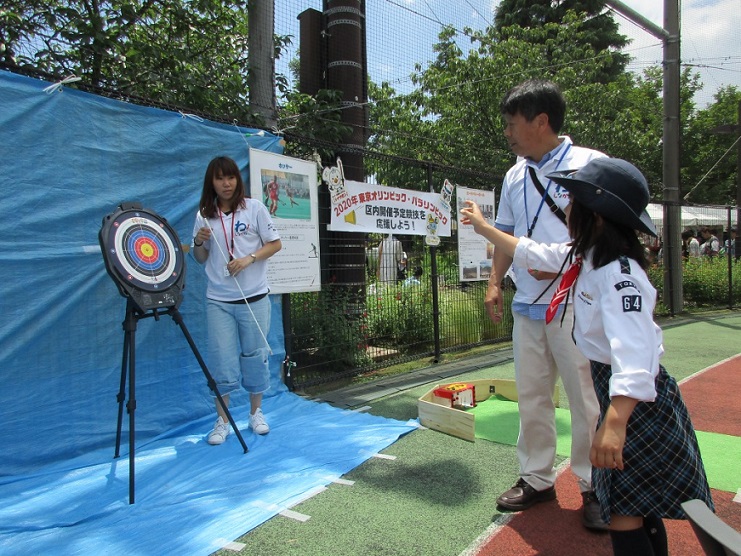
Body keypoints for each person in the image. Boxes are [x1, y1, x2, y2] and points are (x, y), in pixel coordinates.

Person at [461, 157, 713, 556]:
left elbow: (637, 353)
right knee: (635, 506)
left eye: (573, 202)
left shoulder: (619, 275)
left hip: (637, 405)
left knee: (626, 510)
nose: (566, 208)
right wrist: (486, 229)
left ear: (596, 217)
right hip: (622, 398)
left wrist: (614, 421)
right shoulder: (586, 255)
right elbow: (535, 253)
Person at [487, 79, 606, 530]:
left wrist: (560, 267)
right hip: (528, 306)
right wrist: (495, 282)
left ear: (541, 122)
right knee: (533, 396)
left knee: (585, 399)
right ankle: (536, 478)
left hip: (577, 302)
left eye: (512, 124)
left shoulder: (589, 165)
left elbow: (607, 234)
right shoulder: (514, 173)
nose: (507, 133)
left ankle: (595, 485)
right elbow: (505, 233)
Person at [192, 156, 282, 445]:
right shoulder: (204, 216)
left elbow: (275, 243)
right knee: (221, 361)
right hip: (218, 300)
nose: (226, 183)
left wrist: (248, 259)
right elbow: (200, 258)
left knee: (255, 356)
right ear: (212, 183)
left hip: (254, 298)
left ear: (237, 180)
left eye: (230, 177)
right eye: (219, 178)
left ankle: (256, 413)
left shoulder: (254, 208)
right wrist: (198, 242)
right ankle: (222, 420)